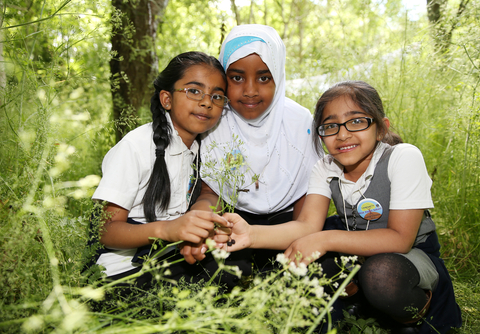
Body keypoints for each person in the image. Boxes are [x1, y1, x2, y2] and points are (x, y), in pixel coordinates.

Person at [223, 81, 462, 333]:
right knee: (304, 265)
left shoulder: (402, 157)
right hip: (356, 254)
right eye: (330, 126)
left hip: (409, 258)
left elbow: (401, 240)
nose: (343, 134)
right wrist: (250, 234)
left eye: (356, 121)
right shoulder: (326, 167)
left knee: (381, 275)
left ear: (381, 128)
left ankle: (413, 317)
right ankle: (345, 310)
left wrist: (324, 240)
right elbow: (306, 227)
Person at [181, 24, 321, 272]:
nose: (250, 91)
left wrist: (300, 243)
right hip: (231, 219)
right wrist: (202, 221)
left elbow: (305, 201)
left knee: (311, 270)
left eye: (264, 78)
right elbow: (210, 192)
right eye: (236, 78)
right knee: (214, 271)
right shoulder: (214, 121)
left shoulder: (300, 123)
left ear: (278, 74)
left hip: (289, 223)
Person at [90, 51, 234, 289]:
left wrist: (195, 233)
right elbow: (105, 230)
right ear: (166, 99)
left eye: (217, 96)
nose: (207, 102)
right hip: (120, 273)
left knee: (231, 268)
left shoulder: (204, 148)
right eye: (194, 91)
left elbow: (209, 195)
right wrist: (168, 230)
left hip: (168, 259)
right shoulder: (135, 146)